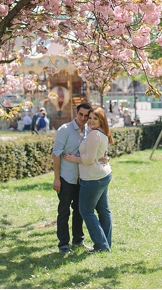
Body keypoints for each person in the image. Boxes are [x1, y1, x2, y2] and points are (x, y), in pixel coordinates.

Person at [63, 106, 113, 253]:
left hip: (93, 178)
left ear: (101, 120)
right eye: (89, 118)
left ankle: (101, 246)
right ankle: (105, 243)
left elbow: (90, 159)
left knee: (86, 210)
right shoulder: (102, 133)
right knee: (104, 211)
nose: (90, 121)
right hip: (102, 175)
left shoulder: (94, 135)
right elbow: (99, 153)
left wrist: (74, 159)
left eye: (94, 119)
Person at [52, 103, 92, 254]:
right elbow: (56, 154)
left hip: (82, 178)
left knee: (79, 210)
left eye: (86, 116)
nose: (83, 118)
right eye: (81, 114)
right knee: (64, 211)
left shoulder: (89, 130)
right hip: (66, 178)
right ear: (76, 113)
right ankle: (63, 244)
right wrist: (56, 179)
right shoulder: (65, 130)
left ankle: (78, 240)